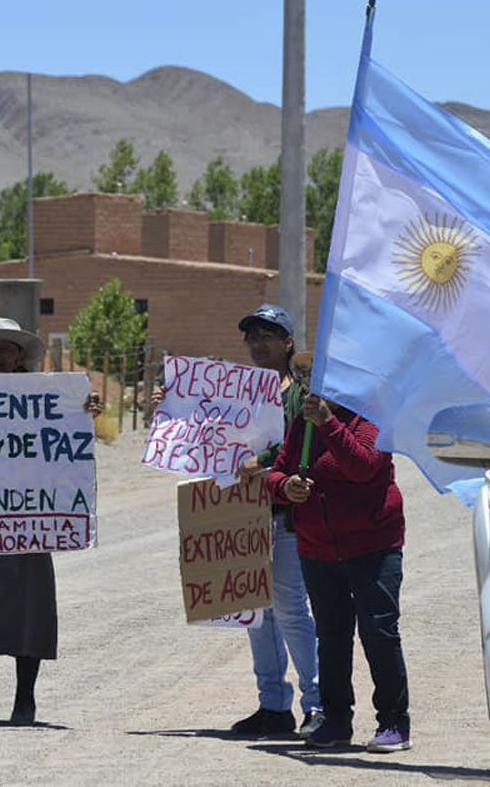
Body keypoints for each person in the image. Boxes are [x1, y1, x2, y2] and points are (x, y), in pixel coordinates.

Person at [149, 304, 321, 738]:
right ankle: (273, 706)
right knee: (256, 610)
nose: (258, 343)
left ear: (288, 343)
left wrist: (261, 461)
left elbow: (300, 444)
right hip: (241, 514)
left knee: (289, 608)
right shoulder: (235, 391)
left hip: (284, 514)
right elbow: (199, 430)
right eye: (252, 336)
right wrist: (167, 407)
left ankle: (317, 703)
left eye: (268, 334)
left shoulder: (299, 393)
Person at [0, 317, 102, 726]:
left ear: (19, 357)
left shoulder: (46, 397)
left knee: (29, 609)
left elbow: (79, 437)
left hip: (27, 518)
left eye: (5, 349)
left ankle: (24, 702)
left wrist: (84, 412)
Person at [267, 392, 411, 753]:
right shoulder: (303, 424)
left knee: (378, 631)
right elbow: (278, 472)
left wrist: (329, 422)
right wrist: (286, 487)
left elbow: (362, 465)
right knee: (331, 635)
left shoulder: (373, 417)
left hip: (373, 545)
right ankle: (336, 721)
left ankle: (393, 722)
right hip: (318, 547)